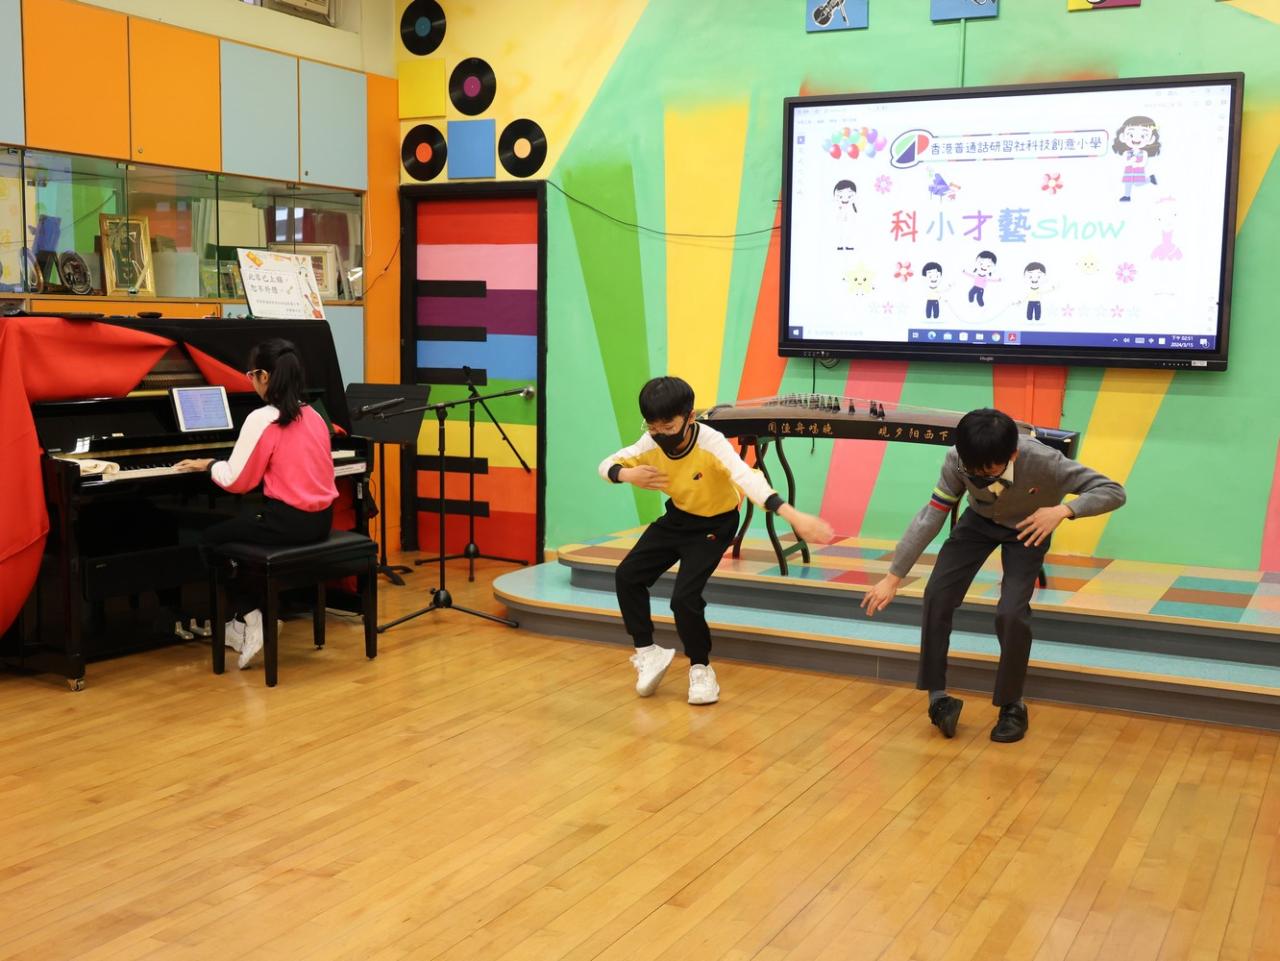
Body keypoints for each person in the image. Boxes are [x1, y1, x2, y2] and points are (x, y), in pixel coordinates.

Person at [860, 408, 1125, 743]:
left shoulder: (1045, 461)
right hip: (979, 522)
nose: (979, 477)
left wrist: (1063, 510)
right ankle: (937, 698)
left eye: (988, 471)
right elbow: (932, 516)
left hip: (1028, 528)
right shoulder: (957, 459)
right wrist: (893, 576)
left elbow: (1113, 490)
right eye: (973, 472)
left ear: (1012, 455)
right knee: (938, 593)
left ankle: (1013, 705)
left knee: (1011, 612)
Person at [600, 377, 834, 705]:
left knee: (684, 598)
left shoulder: (711, 442)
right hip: (678, 519)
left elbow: (747, 478)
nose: (660, 434)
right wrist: (625, 474)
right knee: (627, 576)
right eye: (653, 426)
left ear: (689, 417)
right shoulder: (649, 443)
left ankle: (701, 669)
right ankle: (648, 652)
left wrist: (792, 515)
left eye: (668, 426)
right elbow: (606, 465)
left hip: (715, 525)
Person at [174, 338, 338, 669]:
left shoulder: (263, 418)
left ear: (265, 376)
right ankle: (238, 622)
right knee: (244, 528)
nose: (250, 382)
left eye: (251, 375)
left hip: (288, 522)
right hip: (321, 520)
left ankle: (251, 616)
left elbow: (238, 482)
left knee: (210, 539)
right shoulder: (315, 416)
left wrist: (209, 464)